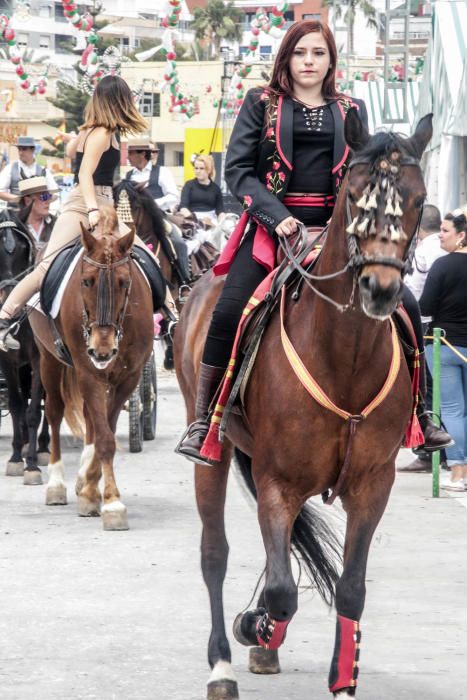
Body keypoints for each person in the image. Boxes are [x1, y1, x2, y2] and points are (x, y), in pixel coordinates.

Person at [176, 19, 451, 466]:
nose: (309, 61)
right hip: (272, 229)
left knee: (407, 306)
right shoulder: (260, 104)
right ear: (287, 57)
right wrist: (278, 217)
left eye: (318, 53)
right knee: (229, 308)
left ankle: (421, 414)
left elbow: (365, 172)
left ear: (330, 61)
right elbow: (239, 172)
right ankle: (205, 419)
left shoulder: (350, 108)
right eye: (301, 52)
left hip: (337, 232)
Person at [0, 75, 154, 351]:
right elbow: (83, 172)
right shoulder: (103, 133)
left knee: (145, 257)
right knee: (47, 265)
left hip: (104, 203)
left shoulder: (95, 130)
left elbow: (72, 151)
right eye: (127, 97)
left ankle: (169, 318)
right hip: (87, 203)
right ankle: (4, 318)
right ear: (116, 100)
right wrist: (93, 209)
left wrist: (82, 136)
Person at [420, 208, 467, 490]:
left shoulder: (442, 266)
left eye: (446, 230)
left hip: (444, 346)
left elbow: (425, 306)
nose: (440, 234)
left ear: (462, 236)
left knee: (451, 410)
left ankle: (459, 471)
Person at [399, 204, 449, 473]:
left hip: (431, 328)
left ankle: (425, 435)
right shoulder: (446, 250)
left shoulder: (423, 253)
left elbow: (417, 295)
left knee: (429, 388)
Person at [0, 136, 57, 208]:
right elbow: (0, 192)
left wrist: (41, 199)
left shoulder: (43, 170)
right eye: (19, 149)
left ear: (32, 150)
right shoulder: (10, 168)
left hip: (36, 214)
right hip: (15, 213)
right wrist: (19, 199)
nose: (20, 152)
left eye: (24, 149)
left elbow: (54, 193)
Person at [126, 139, 179, 213]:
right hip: (136, 218)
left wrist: (153, 204)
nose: (127, 157)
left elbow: (174, 196)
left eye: (131, 153)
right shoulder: (128, 175)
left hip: (159, 217)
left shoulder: (162, 172)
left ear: (143, 154)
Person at [179, 154, 225, 226]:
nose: (198, 171)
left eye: (201, 168)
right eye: (196, 168)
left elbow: (220, 211)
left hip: (211, 221)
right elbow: (183, 207)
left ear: (209, 170)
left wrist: (221, 223)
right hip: (192, 221)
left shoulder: (216, 188)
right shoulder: (188, 185)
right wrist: (196, 220)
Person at [15, 176, 58, 247]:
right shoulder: (14, 226)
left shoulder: (57, 223)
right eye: (43, 197)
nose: (48, 202)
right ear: (27, 201)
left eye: (48, 196)